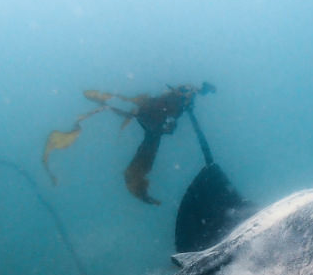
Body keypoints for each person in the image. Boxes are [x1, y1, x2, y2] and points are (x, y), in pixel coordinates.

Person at [43, 82, 215, 205]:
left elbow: (169, 121)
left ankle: (140, 190)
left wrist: (168, 124)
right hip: (150, 122)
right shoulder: (163, 104)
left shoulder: (174, 106)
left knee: (144, 149)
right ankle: (140, 189)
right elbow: (164, 114)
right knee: (118, 112)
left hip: (152, 126)